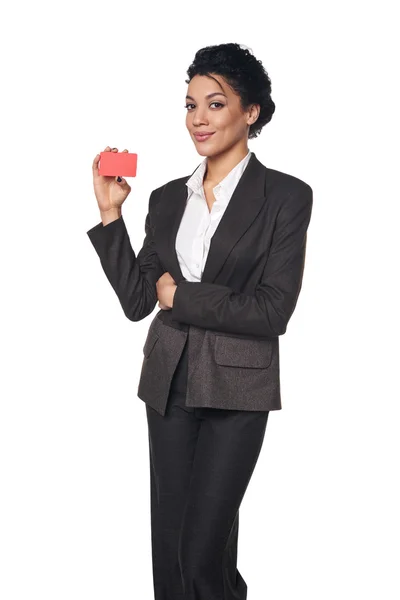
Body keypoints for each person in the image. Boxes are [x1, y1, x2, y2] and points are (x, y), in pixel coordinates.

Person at [87, 42, 313, 600]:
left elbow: (271, 310)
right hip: (168, 384)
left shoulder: (286, 196)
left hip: (238, 389)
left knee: (203, 552)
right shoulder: (166, 199)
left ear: (251, 112)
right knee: (170, 549)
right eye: (190, 105)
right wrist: (111, 215)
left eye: (215, 104)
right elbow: (140, 300)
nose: (198, 119)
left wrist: (181, 296)